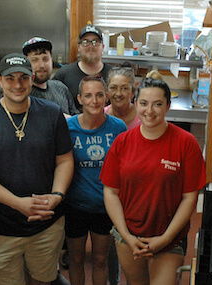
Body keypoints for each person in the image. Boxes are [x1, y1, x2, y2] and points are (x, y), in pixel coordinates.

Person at [0, 53, 74, 285]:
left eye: (23, 78)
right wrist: (18, 203)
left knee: (44, 279)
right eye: (10, 78)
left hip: (47, 224)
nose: (17, 85)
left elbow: (64, 160)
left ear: (32, 79)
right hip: (1, 229)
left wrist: (57, 195)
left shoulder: (52, 113)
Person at [100, 78, 206, 285]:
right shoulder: (123, 142)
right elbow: (110, 192)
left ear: (168, 106)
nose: (150, 110)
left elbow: (189, 198)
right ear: (136, 103)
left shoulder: (186, 143)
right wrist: (126, 235)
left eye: (157, 104)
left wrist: (165, 239)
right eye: (144, 103)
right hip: (129, 236)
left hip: (169, 238)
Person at [65, 76, 127, 285]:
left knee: (100, 260)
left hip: (105, 206)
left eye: (99, 95)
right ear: (80, 98)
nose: (94, 100)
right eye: (89, 95)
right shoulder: (68, 127)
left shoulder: (118, 127)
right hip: (75, 205)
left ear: (106, 97)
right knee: (76, 259)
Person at [53, 24, 112, 110]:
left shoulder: (113, 75)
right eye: (85, 42)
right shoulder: (63, 75)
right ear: (78, 47)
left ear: (103, 47)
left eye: (95, 42)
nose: (91, 46)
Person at [22, 36, 79, 117]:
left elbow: (76, 119)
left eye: (45, 59)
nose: (41, 65)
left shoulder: (61, 88)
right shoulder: (22, 94)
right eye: (35, 60)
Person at [105, 65, 141, 130]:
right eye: (113, 88)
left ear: (132, 93)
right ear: (107, 92)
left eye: (124, 88)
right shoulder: (101, 116)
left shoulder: (143, 117)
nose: (118, 93)